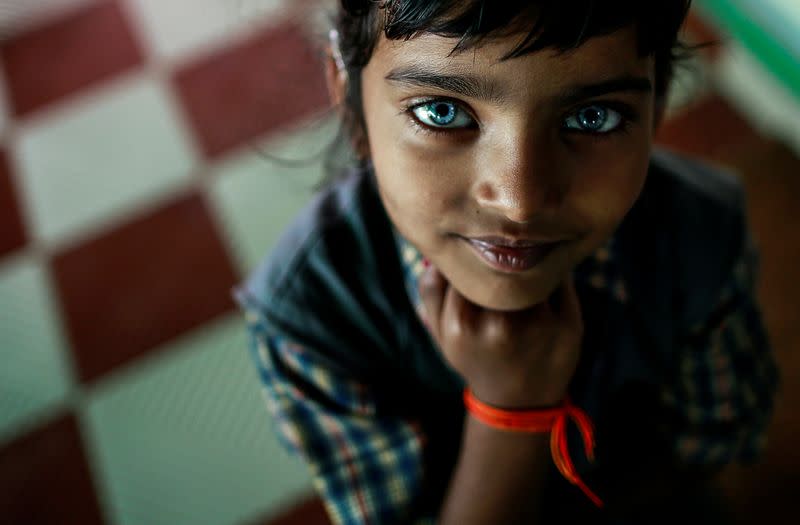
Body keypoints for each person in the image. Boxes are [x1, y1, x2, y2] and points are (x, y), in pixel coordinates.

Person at [232, 1, 779, 523]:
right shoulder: (311, 317)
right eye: (441, 112)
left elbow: (718, 441)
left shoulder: (701, 232)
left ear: (656, 105)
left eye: (593, 117)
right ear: (346, 92)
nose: (519, 201)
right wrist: (512, 411)